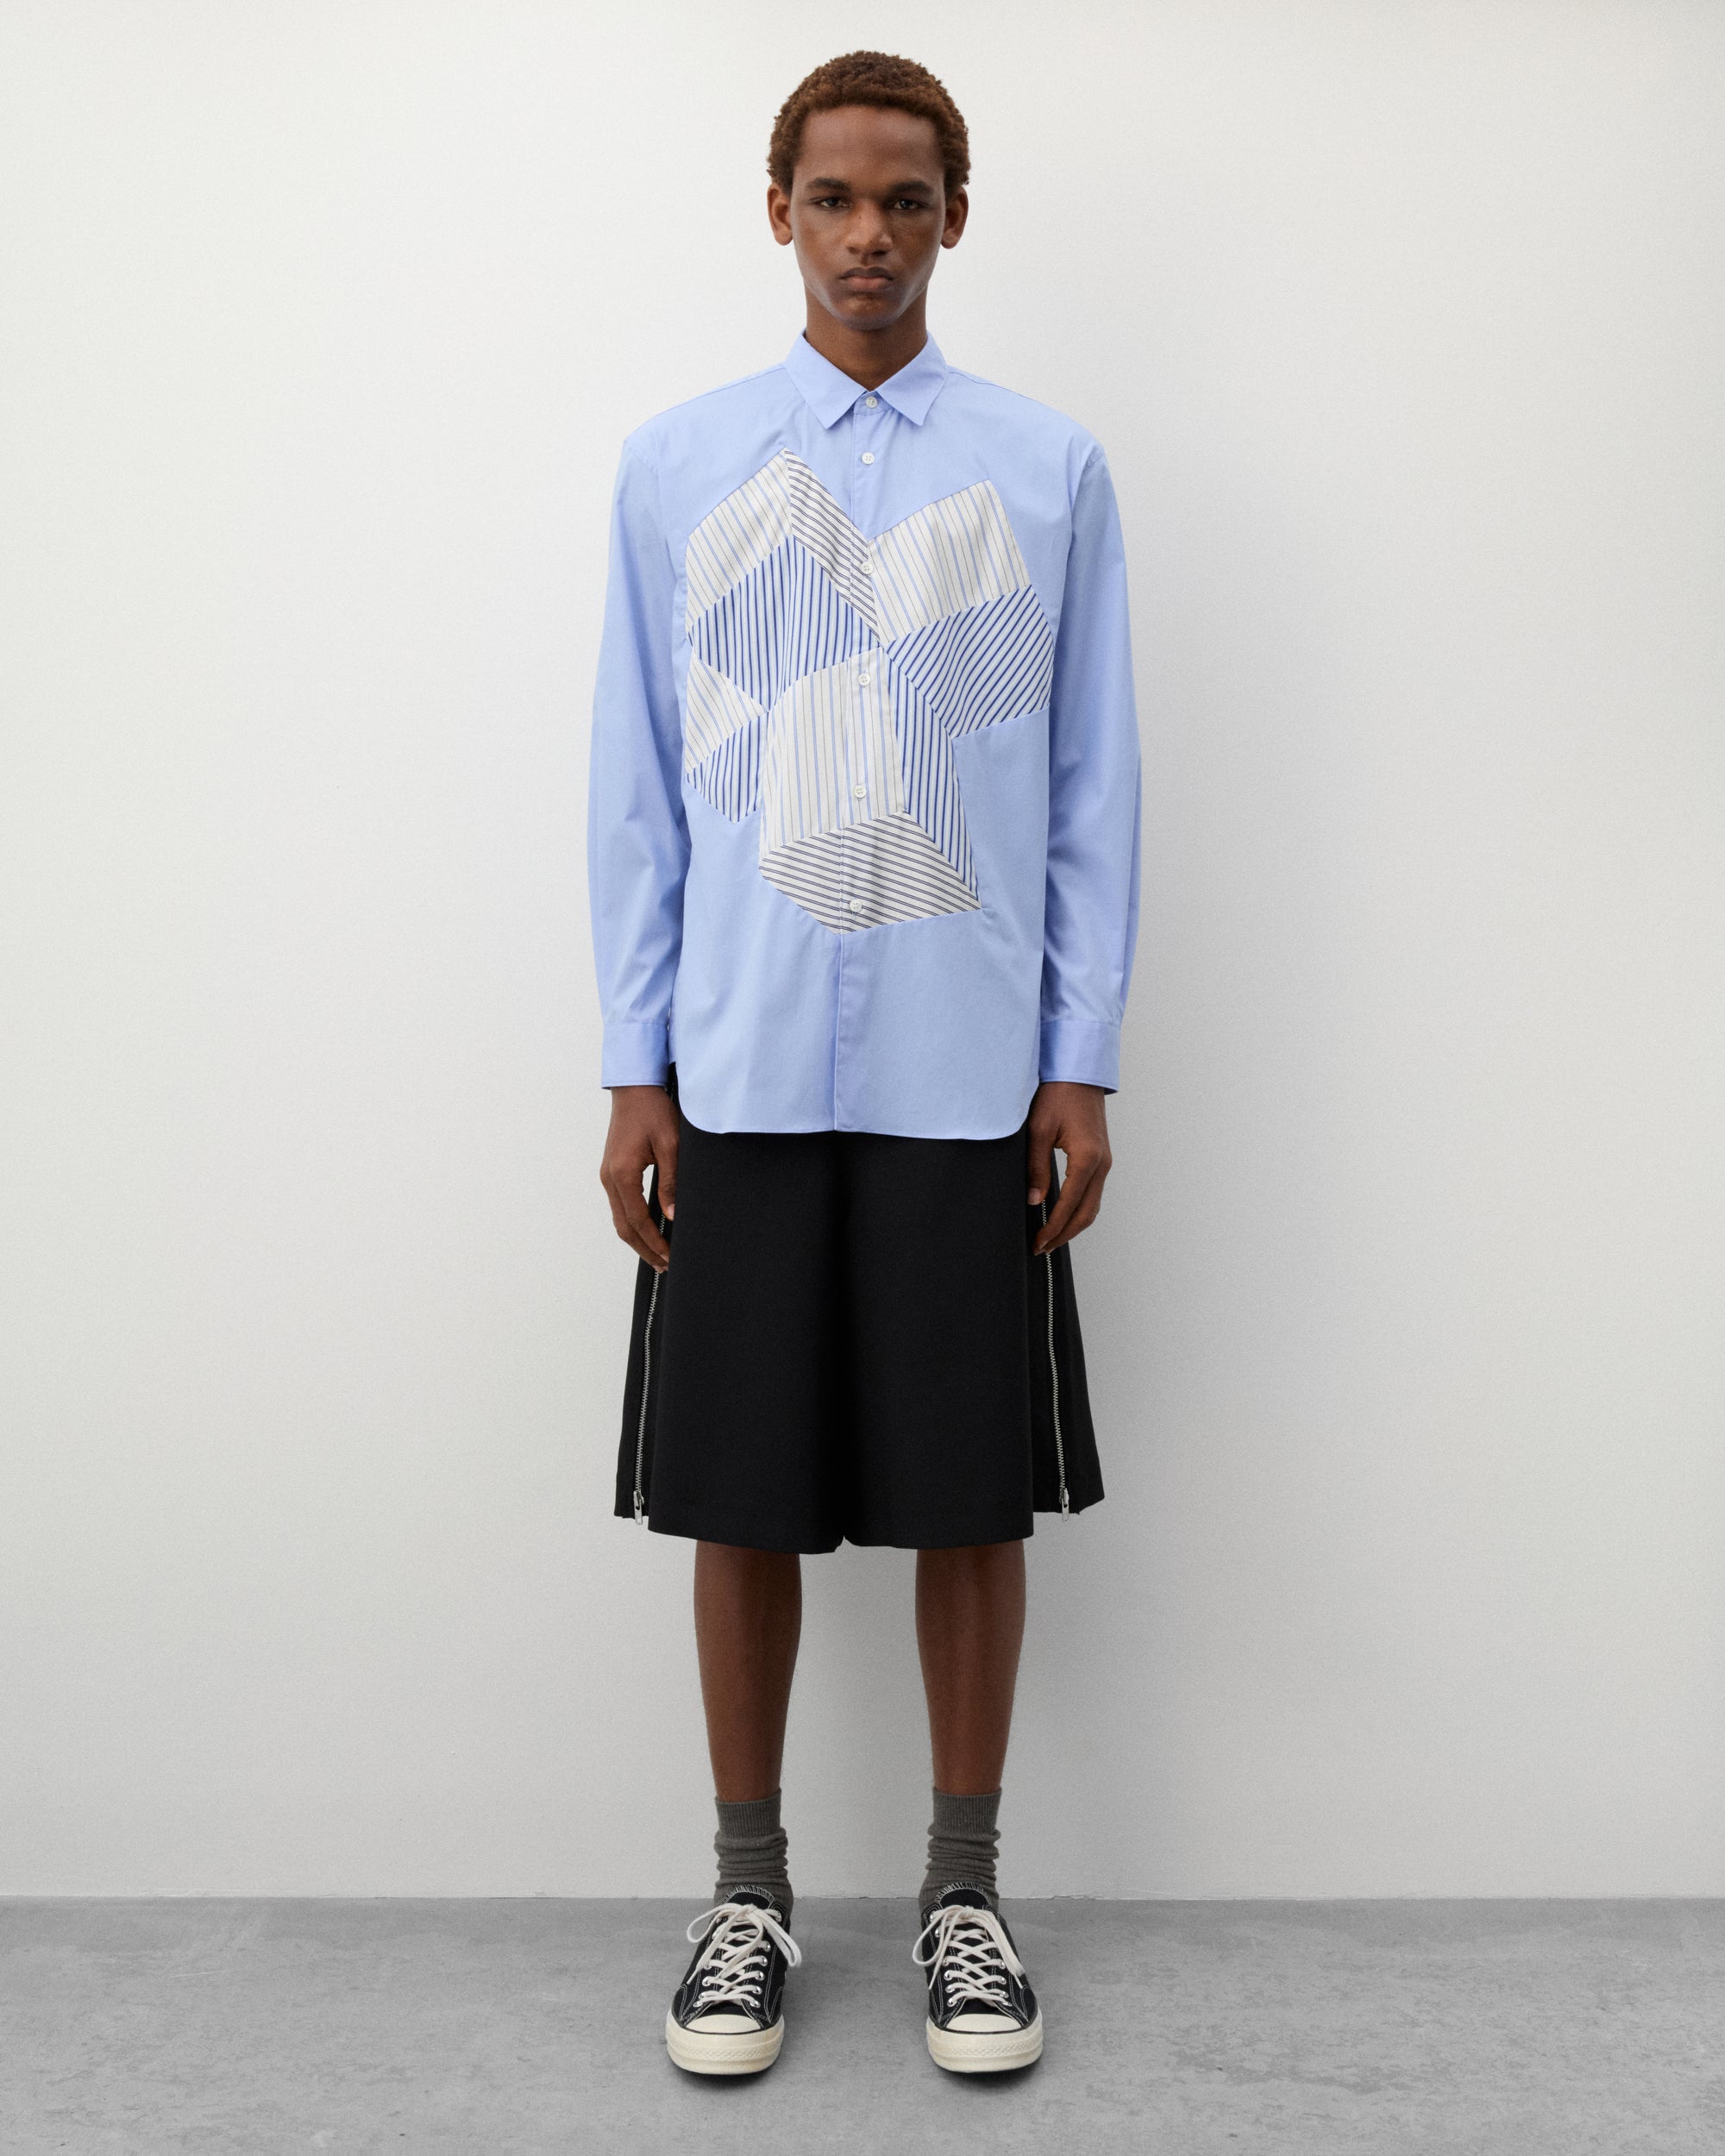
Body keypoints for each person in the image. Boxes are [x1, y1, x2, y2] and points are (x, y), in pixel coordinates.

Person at [586, 49, 1141, 2078]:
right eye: (833, 197)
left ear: (953, 219)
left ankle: (961, 1893)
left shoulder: (1044, 469)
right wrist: (634, 1064)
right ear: (779, 214)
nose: (869, 236)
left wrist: (1078, 1059)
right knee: (737, 1495)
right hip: (735, 1064)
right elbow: (637, 787)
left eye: (906, 199)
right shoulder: (680, 466)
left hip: (961, 1065)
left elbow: (1088, 785)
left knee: (967, 1495)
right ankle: (745, 1893)